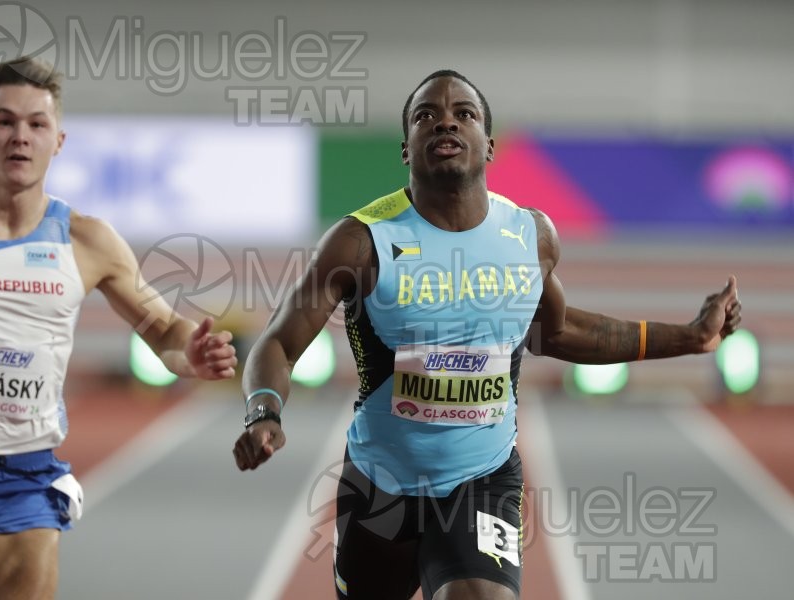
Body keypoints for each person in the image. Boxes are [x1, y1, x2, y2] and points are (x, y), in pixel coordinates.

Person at [233, 69, 742, 600]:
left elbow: (559, 332)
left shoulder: (530, 236)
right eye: (425, 115)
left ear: (489, 145)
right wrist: (264, 411)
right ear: (406, 148)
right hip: (379, 486)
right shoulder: (361, 241)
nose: (445, 122)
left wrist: (692, 337)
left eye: (464, 114)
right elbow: (278, 343)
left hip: (483, 480)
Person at [0, 56, 237, 600]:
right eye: (5, 121)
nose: (20, 136)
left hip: (21, 477)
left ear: (59, 140)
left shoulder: (87, 241)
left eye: (37, 124)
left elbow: (166, 330)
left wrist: (188, 355)